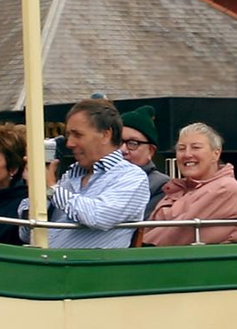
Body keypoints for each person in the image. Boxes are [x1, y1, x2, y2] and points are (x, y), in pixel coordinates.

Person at [33, 98, 151, 249]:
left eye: (77, 135)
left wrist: (51, 188)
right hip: (47, 263)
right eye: (69, 135)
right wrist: (36, 188)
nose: (69, 143)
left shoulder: (132, 177)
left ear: (106, 135)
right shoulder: (70, 175)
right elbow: (26, 232)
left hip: (89, 269)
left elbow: (98, 216)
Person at [139, 122, 237, 246]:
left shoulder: (225, 188)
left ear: (216, 154)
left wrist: (139, 246)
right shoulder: (177, 188)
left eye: (196, 147)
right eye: (181, 148)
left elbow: (179, 232)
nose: (187, 154)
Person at [118, 108, 170, 205]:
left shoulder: (160, 184)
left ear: (150, 151)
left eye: (133, 143)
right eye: (118, 142)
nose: (122, 150)